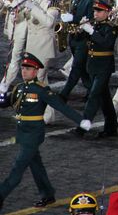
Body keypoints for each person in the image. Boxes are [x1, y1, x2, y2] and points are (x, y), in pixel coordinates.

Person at [0, 53, 91, 210]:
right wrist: (1, 95)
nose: (24, 71)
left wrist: (80, 120)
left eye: (28, 69)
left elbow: (61, 106)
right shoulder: (19, 88)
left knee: (18, 167)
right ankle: (47, 193)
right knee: (36, 166)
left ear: (35, 71)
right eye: (23, 68)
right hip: (22, 133)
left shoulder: (41, 90)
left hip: (34, 135)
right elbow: (6, 103)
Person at [73, 0, 118, 138]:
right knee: (104, 98)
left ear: (107, 12)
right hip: (92, 65)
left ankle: (83, 126)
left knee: (93, 96)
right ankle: (111, 127)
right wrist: (80, 30)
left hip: (104, 66)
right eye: (95, 11)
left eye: (99, 11)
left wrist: (91, 31)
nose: (96, 13)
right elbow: (79, 39)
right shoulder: (94, 25)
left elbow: (106, 43)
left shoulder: (111, 27)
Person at [58, 0, 95, 102]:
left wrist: (73, 18)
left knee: (76, 68)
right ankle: (93, 92)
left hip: (84, 40)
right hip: (73, 38)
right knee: (83, 70)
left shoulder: (90, 0)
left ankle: (64, 94)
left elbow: (92, 19)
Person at [0, 0, 33, 93]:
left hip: (21, 27)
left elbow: (21, 8)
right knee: (11, 54)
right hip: (10, 26)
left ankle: (5, 83)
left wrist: (10, 2)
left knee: (15, 56)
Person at [23, 0, 59, 85]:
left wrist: (34, 8)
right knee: (40, 79)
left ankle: (35, 102)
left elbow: (49, 22)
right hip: (32, 44)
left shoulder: (52, 2)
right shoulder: (32, 0)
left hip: (44, 45)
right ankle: (47, 102)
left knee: (38, 77)